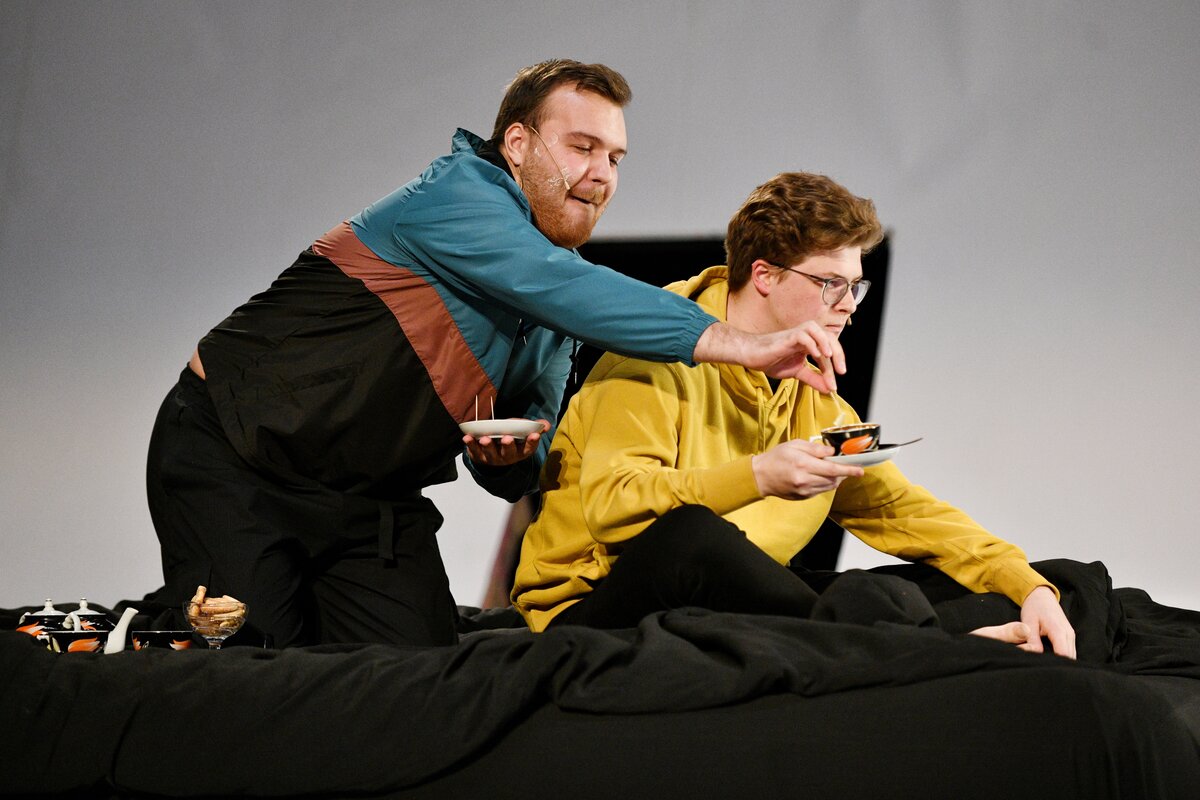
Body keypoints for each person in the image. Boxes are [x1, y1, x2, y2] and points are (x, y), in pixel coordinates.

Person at [143, 60, 851, 649]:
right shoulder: (457, 196)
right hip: (237, 456)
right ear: (516, 144)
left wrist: (508, 458)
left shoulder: (552, 307)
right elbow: (564, 286)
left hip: (371, 501)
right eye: (581, 147)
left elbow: (520, 463)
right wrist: (746, 346)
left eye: (614, 158)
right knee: (247, 673)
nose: (601, 174)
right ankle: (138, 634)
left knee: (427, 698)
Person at [511, 171, 1077, 658]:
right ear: (764, 275)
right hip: (592, 609)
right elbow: (614, 507)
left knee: (985, 590)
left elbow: (901, 510)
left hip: (720, 605)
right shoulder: (651, 356)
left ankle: (904, 641)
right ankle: (913, 649)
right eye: (831, 284)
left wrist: (1027, 586)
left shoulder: (818, 401)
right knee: (691, 535)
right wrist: (759, 475)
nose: (848, 307)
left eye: (855, 287)